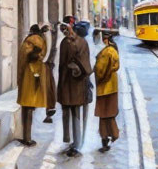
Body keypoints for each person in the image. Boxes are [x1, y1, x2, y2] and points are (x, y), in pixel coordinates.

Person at [57, 21, 92, 157]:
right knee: (74, 112)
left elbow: (67, 63)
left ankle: (76, 144)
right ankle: (76, 142)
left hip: (72, 83)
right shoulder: (79, 42)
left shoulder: (70, 43)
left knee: (74, 112)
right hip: (74, 83)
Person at [16, 24, 49, 147]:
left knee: (27, 106)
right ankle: (27, 138)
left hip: (29, 74)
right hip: (34, 74)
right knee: (29, 106)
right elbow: (40, 55)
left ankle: (27, 137)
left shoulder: (30, 41)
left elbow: (25, 57)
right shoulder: (38, 40)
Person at [94, 29, 121, 153]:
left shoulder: (105, 52)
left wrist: (97, 75)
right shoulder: (114, 51)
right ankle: (112, 136)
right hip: (112, 87)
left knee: (103, 114)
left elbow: (100, 70)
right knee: (110, 113)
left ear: (105, 40)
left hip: (104, 88)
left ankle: (107, 138)